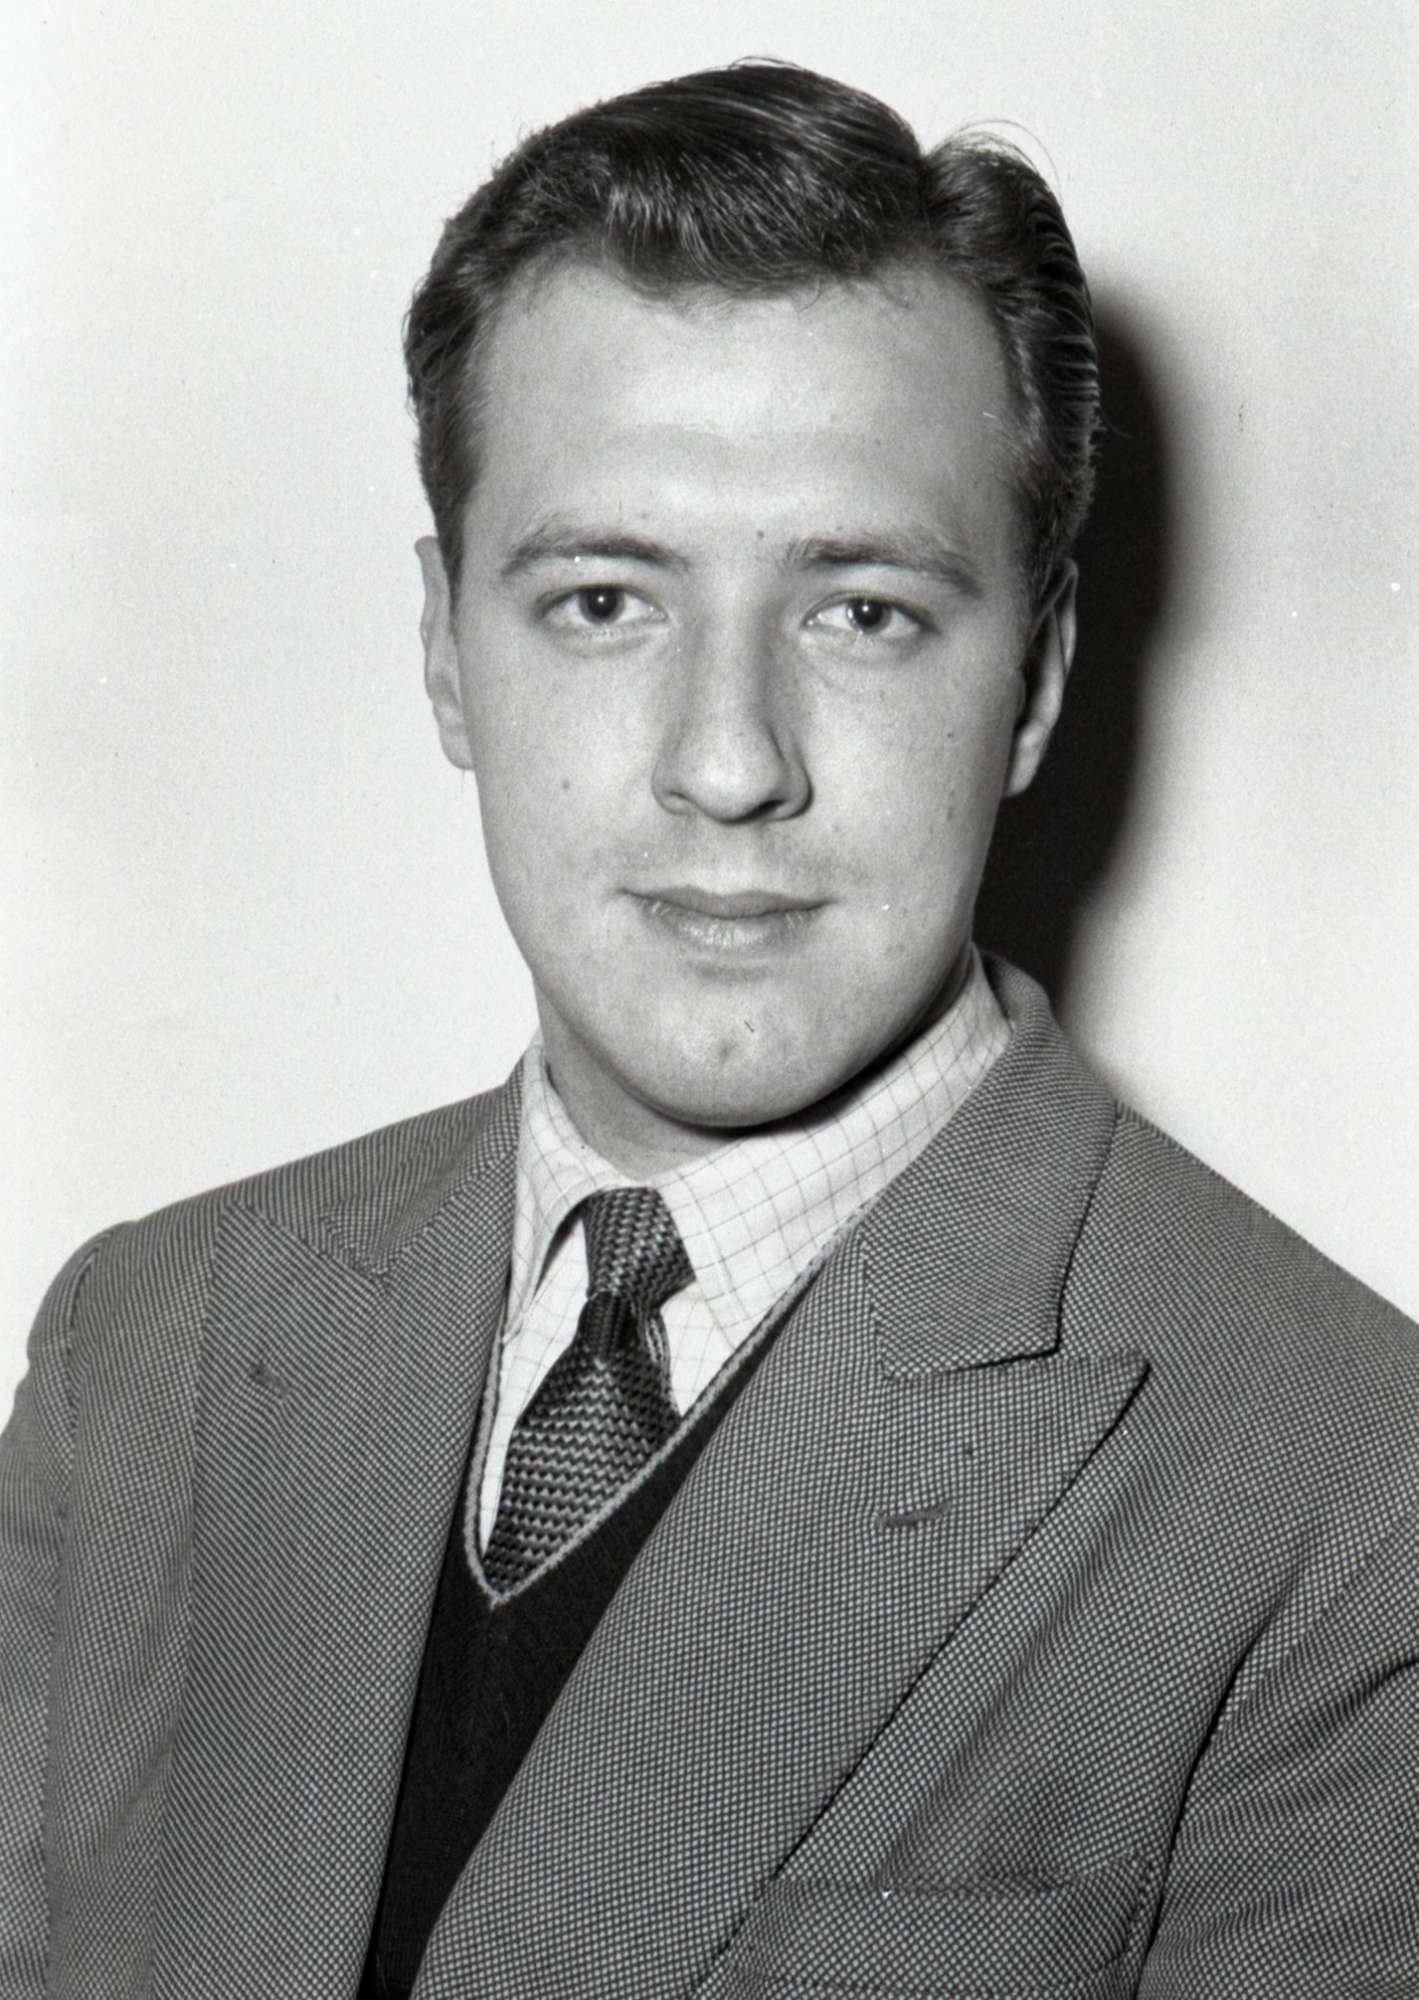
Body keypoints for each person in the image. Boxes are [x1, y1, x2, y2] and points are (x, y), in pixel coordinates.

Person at [2, 59, 1415, 2000]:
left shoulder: (1349, 1500)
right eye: (604, 601)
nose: (729, 761)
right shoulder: (141, 1350)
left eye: (862, 613)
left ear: (1035, 681)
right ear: (445, 652)